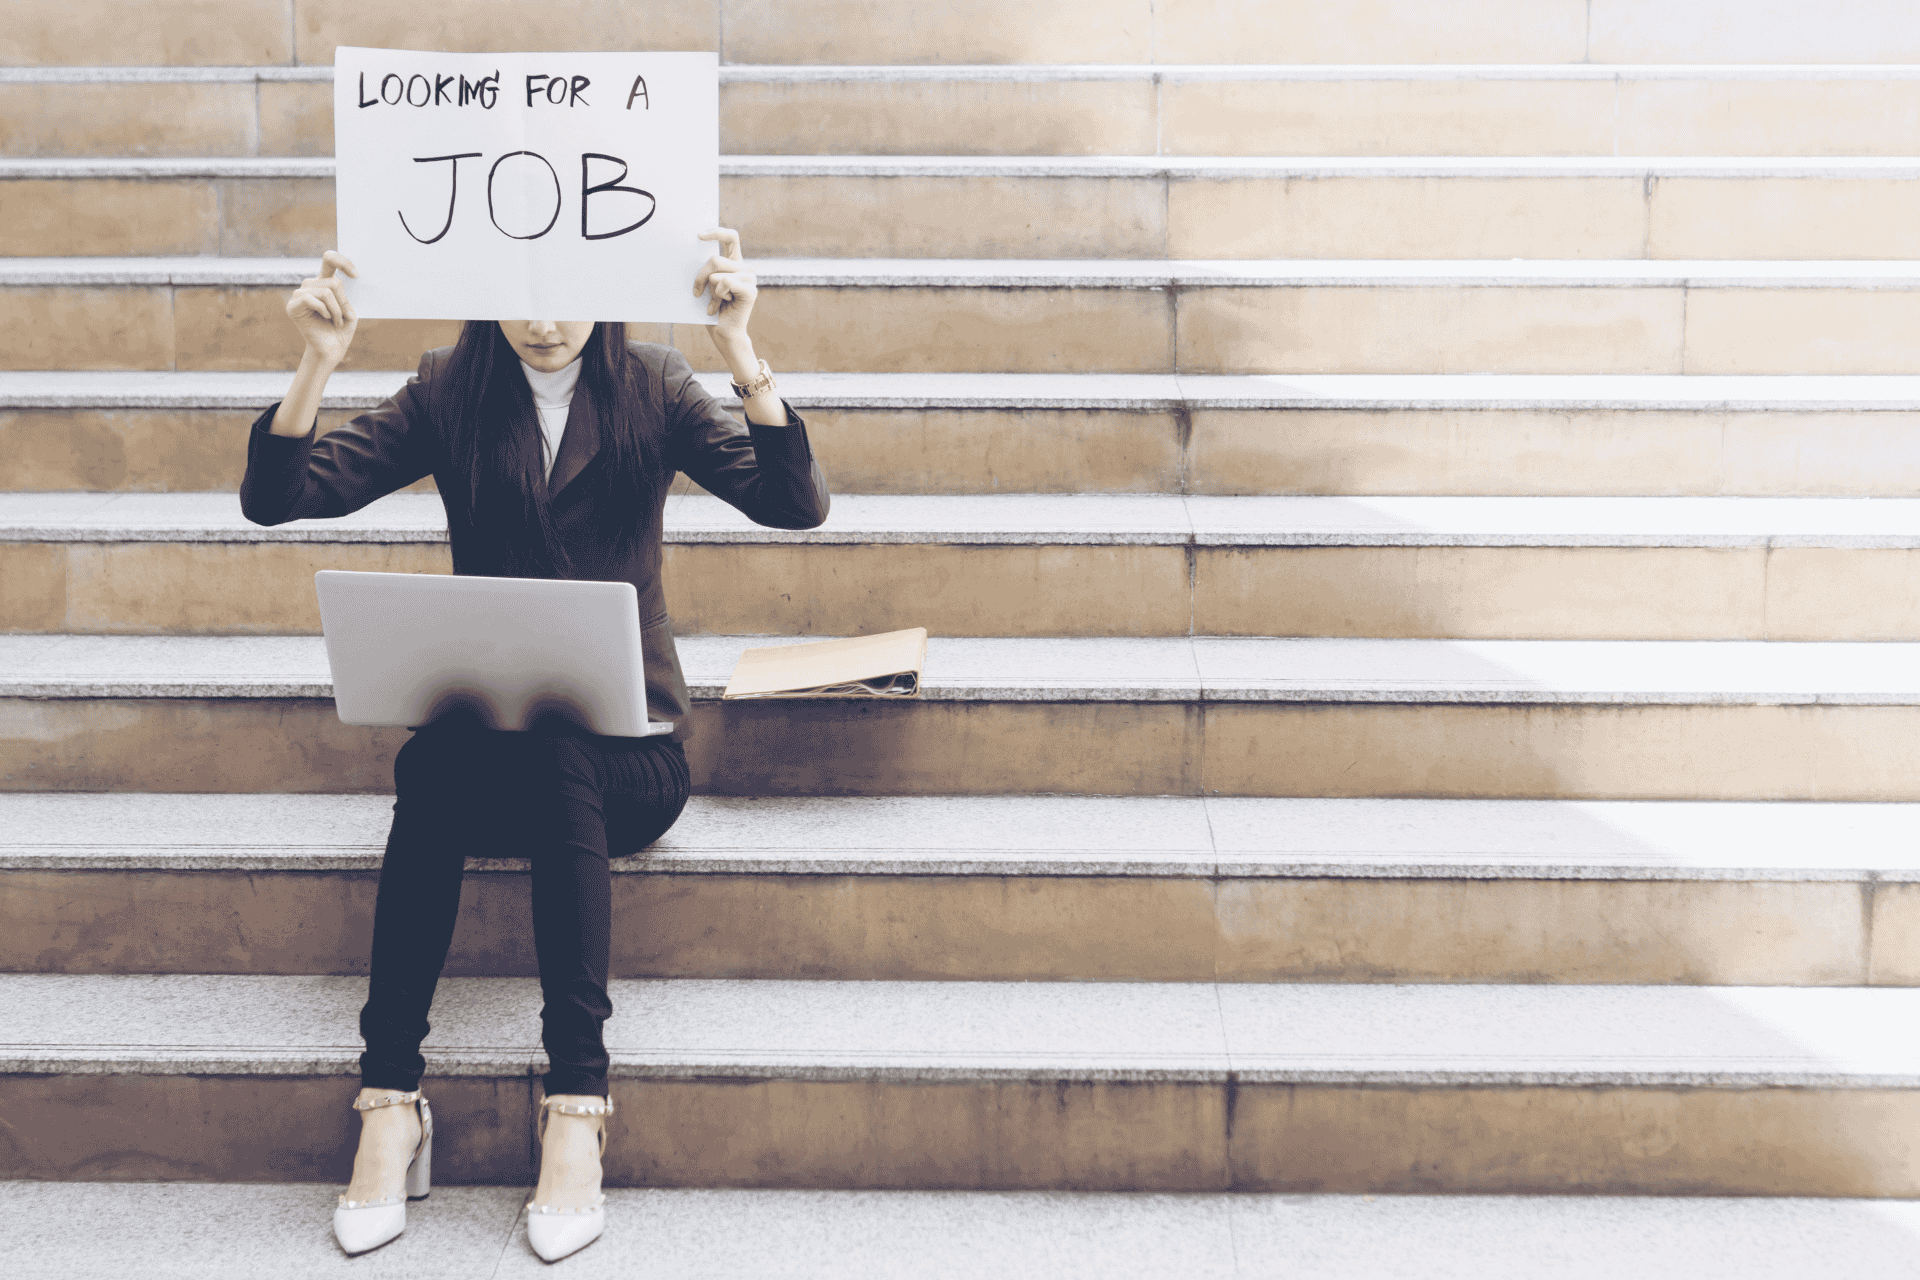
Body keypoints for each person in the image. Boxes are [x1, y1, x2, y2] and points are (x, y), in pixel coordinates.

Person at [239, 231, 829, 1261]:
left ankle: (577, 1105)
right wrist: (317, 361)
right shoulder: (449, 388)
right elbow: (280, 497)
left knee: (561, 743)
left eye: (570, 298)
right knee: (433, 756)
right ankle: (389, 1099)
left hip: (632, 758)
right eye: (521, 300)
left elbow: (794, 503)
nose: (548, 323)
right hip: (491, 761)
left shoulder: (656, 384)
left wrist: (739, 346)